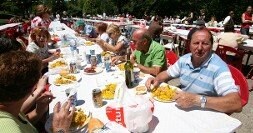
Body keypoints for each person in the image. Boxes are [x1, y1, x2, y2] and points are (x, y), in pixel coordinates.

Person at [145, 27, 242, 113]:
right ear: (189, 45)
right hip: (183, 109)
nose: (199, 48)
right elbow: (166, 73)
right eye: (196, 43)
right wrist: (156, 79)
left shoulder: (218, 67)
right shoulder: (184, 59)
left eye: (205, 43)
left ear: (212, 46)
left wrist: (196, 100)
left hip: (206, 114)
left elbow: (236, 103)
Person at [0, 51, 74, 133]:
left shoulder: (11, 107)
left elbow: (23, 123)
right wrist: (60, 129)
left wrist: (38, 112)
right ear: (33, 87)